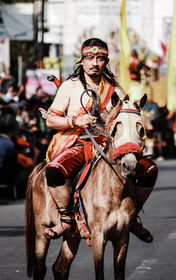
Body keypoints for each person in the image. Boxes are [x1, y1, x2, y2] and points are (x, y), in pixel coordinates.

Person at [43, 38, 157, 242]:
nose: (95, 62)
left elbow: (126, 118)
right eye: (90, 57)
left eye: (100, 58)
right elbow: (51, 120)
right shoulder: (70, 86)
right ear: (82, 60)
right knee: (53, 170)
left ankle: (131, 217)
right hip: (79, 143)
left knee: (149, 170)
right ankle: (66, 218)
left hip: (108, 145)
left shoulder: (116, 88)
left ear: (106, 61)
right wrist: (76, 120)